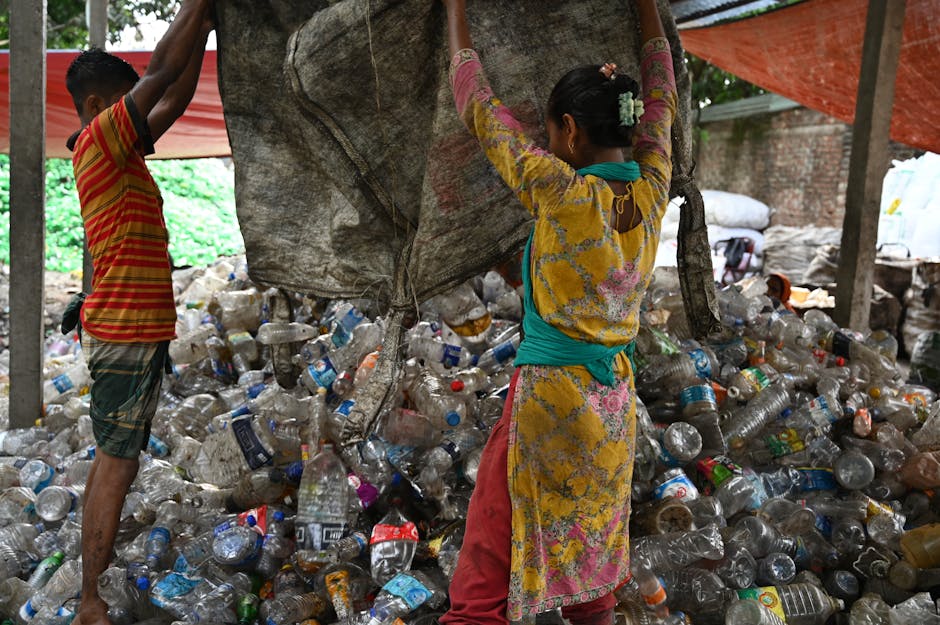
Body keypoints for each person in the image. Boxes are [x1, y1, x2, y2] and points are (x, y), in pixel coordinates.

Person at [437, 1, 677, 624]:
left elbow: (477, 104)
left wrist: (455, 10)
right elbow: (663, 87)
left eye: (549, 132)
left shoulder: (557, 187)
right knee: (591, 533)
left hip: (550, 403)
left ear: (570, 131)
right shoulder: (652, 186)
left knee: (491, 546)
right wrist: (647, 6)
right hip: (612, 406)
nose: (544, 142)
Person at [64, 2, 213, 624]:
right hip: (125, 331)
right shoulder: (101, 138)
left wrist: (204, 30)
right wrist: (197, 6)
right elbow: (159, 76)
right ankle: (90, 599)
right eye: (130, 105)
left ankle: (90, 591)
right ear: (102, 106)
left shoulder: (118, 153)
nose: (141, 117)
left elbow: (169, 101)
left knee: (115, 457)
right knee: (115, 464)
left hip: (132, 329)